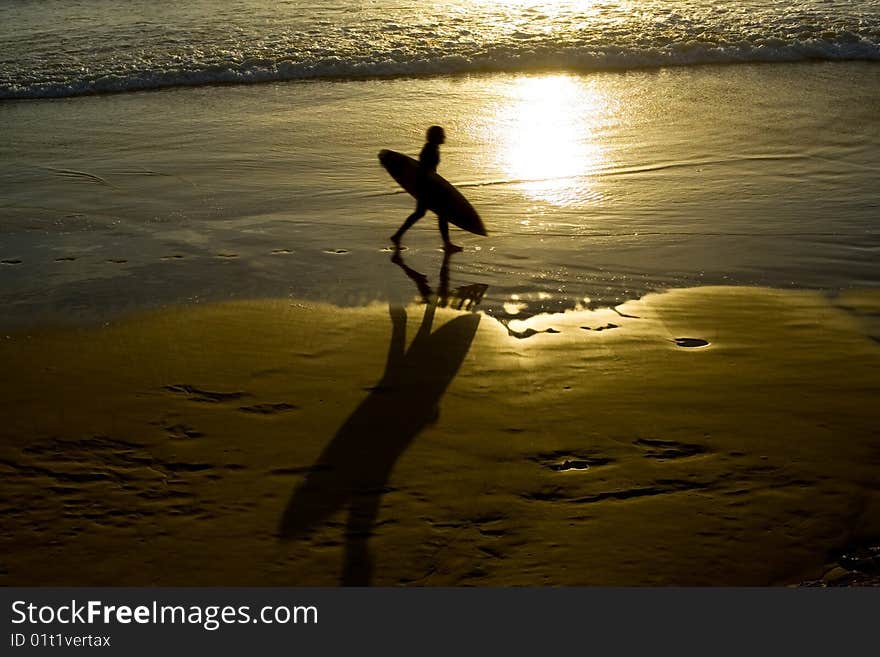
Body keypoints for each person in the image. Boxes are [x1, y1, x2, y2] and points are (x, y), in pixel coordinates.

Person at [390, 125, 462, 252]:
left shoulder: (432, 148)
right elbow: (424, 170)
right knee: (442, 214)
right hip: (427, 187)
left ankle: (397, 236)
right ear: (436, 137)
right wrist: (430, 188)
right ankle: (447, 244)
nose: (444, 137)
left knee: (420, 213)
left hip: (425, 186)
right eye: (442, 135)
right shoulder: (430, 150)